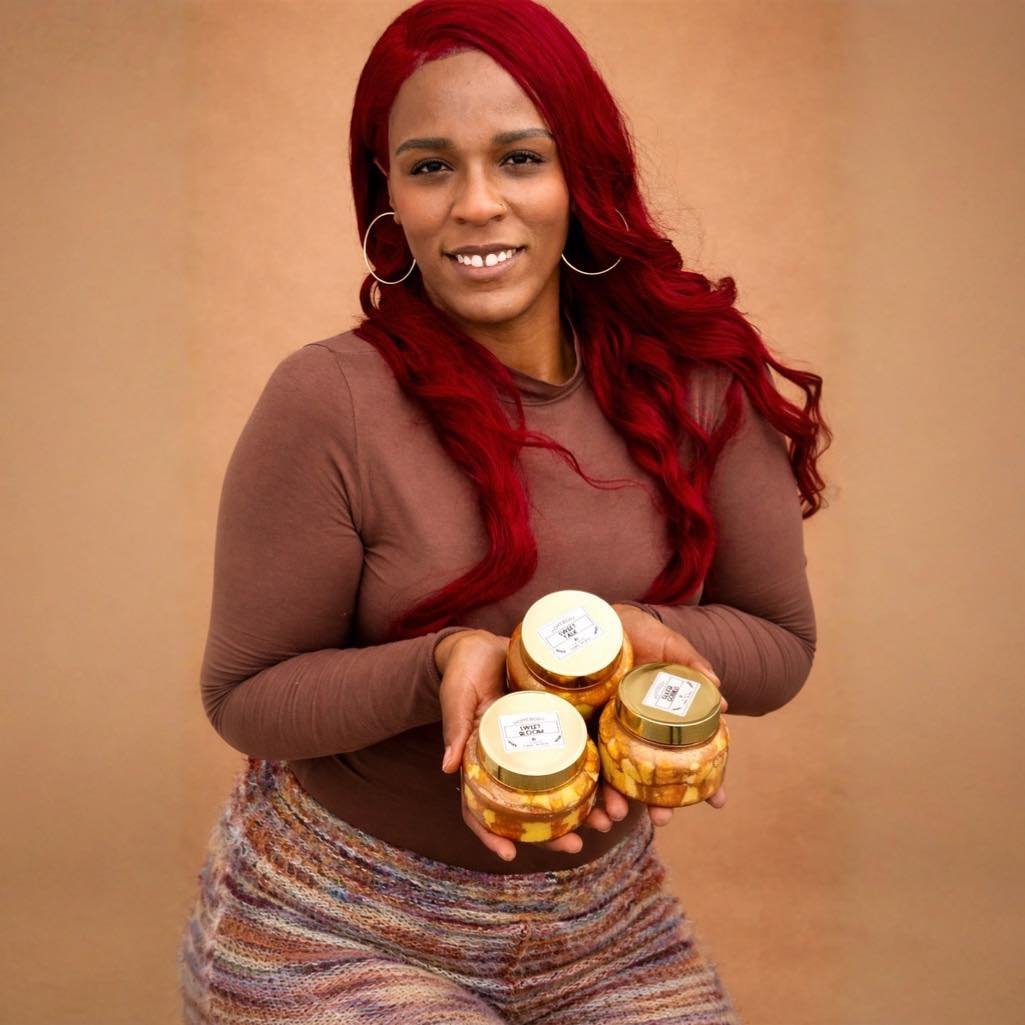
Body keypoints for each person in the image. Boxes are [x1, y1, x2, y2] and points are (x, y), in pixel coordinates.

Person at [177, 0, 829, 1021]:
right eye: (430, 166)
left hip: (607, 931)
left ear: (582, 177)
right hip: (328, 924)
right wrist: (440, 661)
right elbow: (245, 695)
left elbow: (779, 643)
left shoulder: (697, 380)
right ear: (387, 195)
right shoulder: (329, 400)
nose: (476, 203)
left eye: (520, 159)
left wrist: (630, 635)